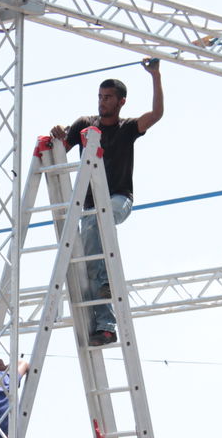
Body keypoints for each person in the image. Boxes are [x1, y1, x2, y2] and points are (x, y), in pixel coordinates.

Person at [49, 58, 164, 347]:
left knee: (99, 220)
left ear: (121, 102)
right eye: (100, 97)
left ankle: (106, 284)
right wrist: (58, 133)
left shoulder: (128, 128)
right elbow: (60, 149)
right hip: (88, 207)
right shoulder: (84, 125)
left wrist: (155, 76)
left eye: (108, 98)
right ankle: (105, 327)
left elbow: (157, 114)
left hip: (118, 200)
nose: (102, 102)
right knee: (89, 264)